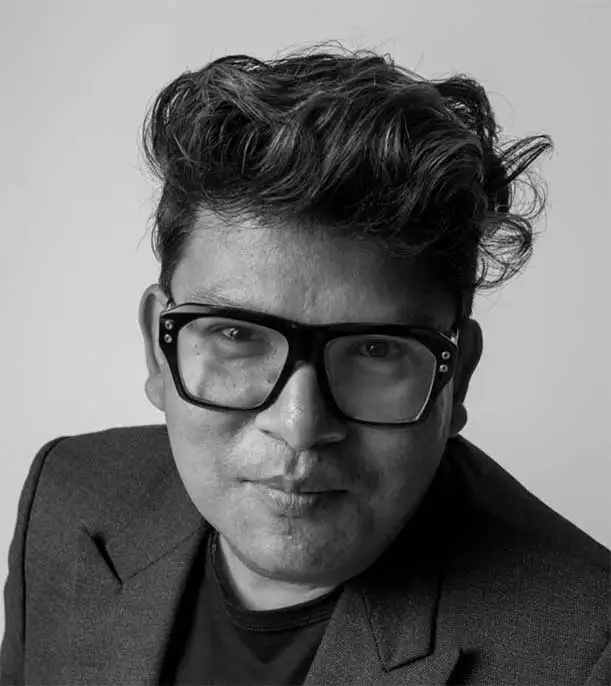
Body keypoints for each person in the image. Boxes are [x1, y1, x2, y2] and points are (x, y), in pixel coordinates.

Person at [1, 41, 609, 686]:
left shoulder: (587, 655)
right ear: (158, 346)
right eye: (237, 334)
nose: (299, 425)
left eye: (375, 350)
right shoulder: (66, 494)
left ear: (455, 379)